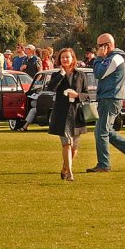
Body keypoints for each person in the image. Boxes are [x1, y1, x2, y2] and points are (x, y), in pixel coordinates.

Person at [88, 33, 125, 173]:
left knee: (101, 132)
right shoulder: (111, 58)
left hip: (110, 98)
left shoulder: (115, 58)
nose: (98, 49)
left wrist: (99, 57)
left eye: (100, 46)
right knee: (105, 131)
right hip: (108, 98)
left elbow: (99, 73)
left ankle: (104, 164)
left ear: (107, 45)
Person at [47, 48, 89, 181]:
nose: (65, 59)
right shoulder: (56, 74)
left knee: (74, 147)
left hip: (76, 114)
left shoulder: (80, 75)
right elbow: (51, 88)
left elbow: (87, 95)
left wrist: (77, 95)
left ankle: (65, 167)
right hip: (61, 114)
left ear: (73, 59)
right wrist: (61, 74)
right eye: (62, 57)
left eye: (67, 57)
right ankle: (70, 173)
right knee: (66, 144)